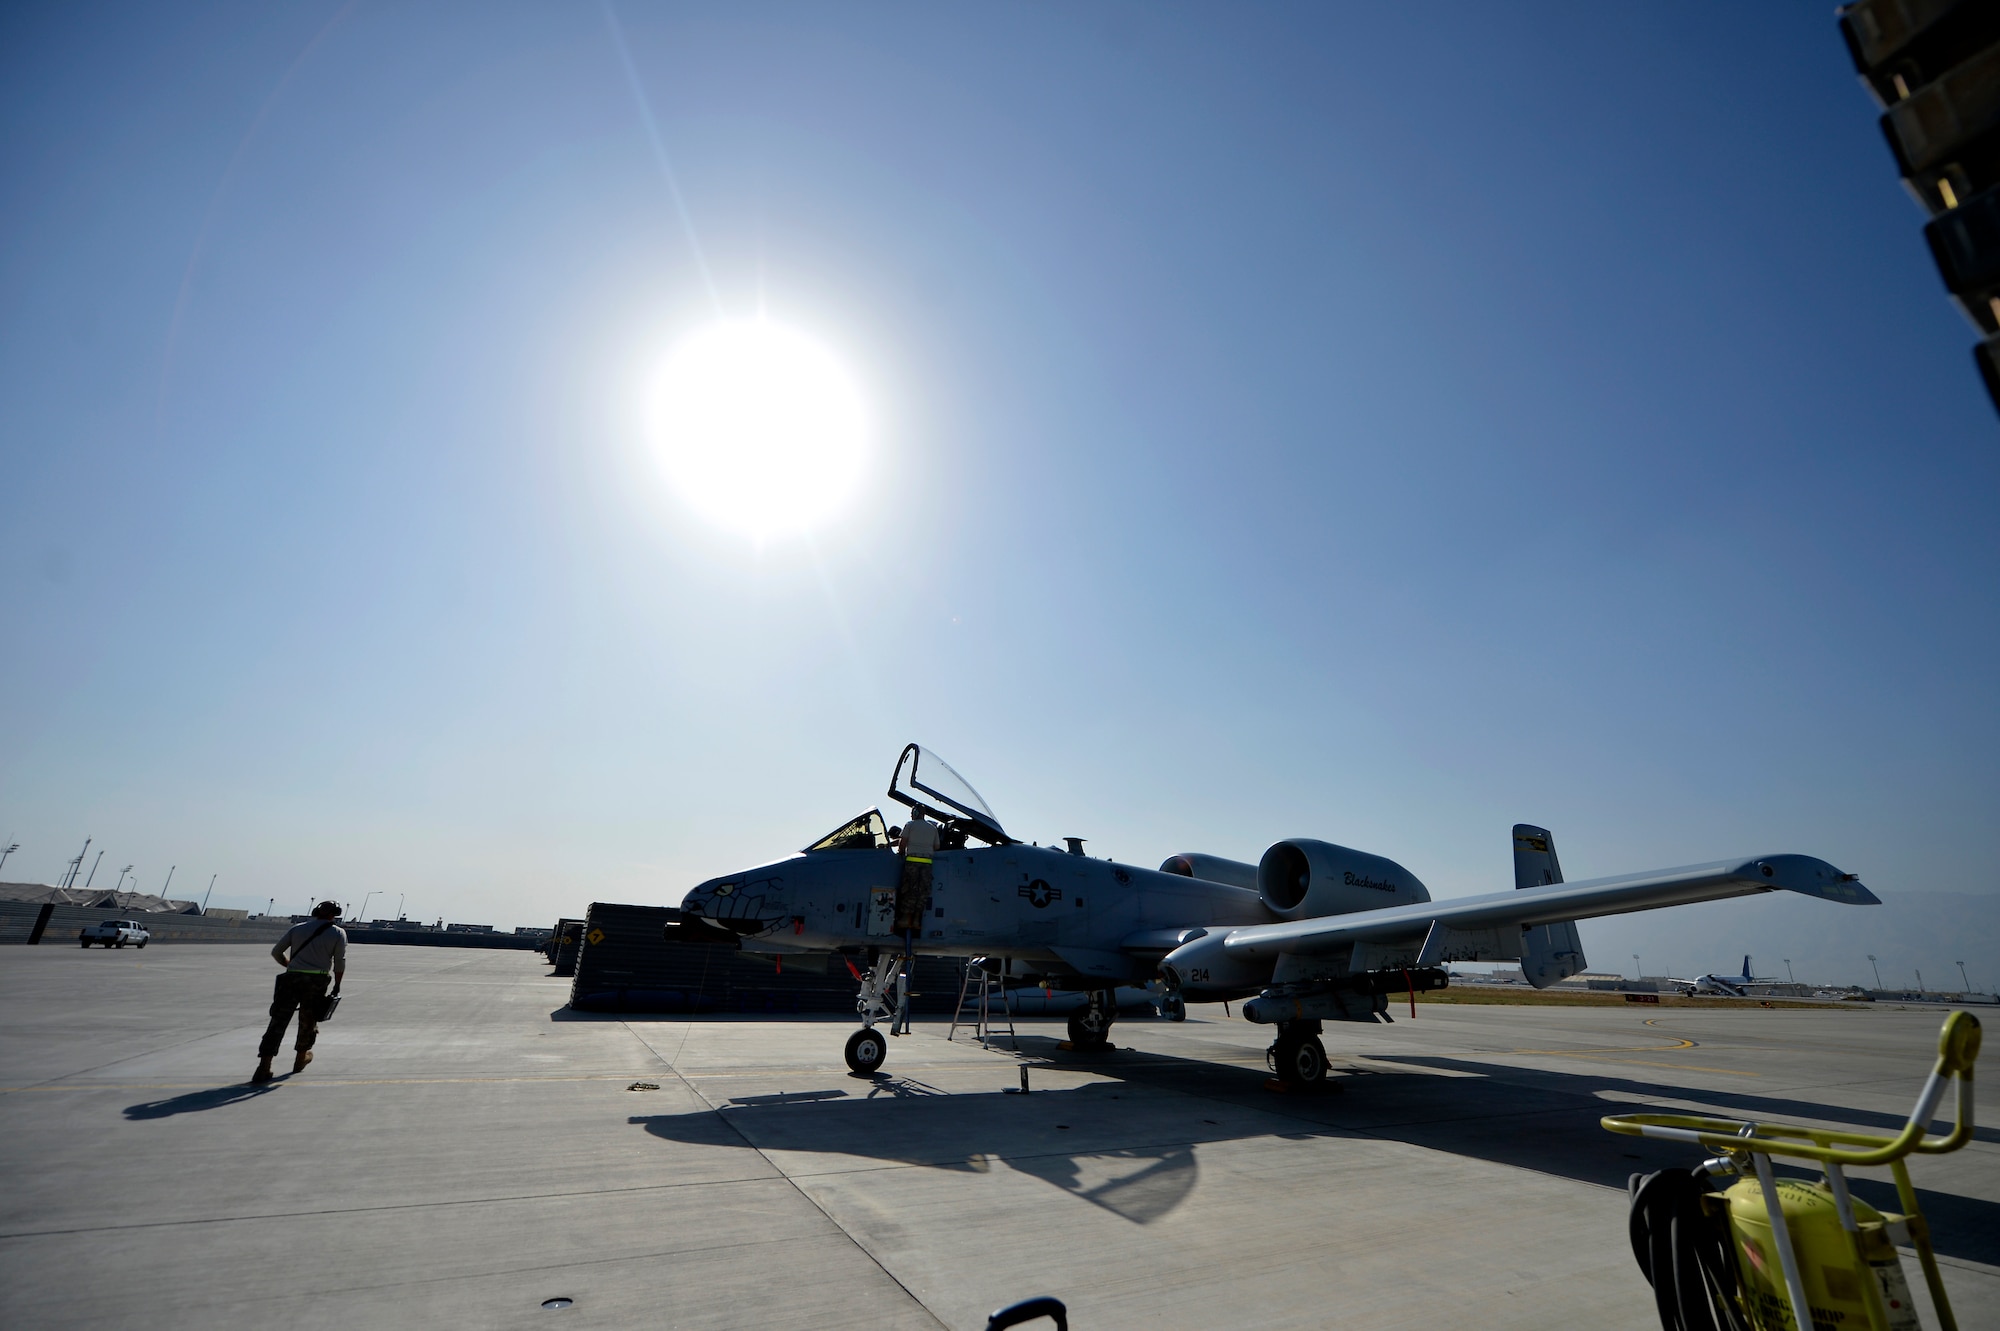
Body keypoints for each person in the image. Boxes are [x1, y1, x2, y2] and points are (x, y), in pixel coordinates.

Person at [252, 900, 347, 1084]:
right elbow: (339, 962)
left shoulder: (297, 929)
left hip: (291, 978)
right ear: (334, 914)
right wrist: (337, 984)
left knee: (278, 1020)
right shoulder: (337, 933)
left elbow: (276, 952)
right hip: (317, 981)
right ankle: (300, 1059)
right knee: (308, 1020)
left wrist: (290, 965)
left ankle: (264, 1065)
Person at [894, 808, 940, 944]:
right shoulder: (932, 828)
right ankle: (916, 920)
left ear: (915, 814)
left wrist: (901, 851)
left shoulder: (910, 825)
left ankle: (905, 919)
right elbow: (936, 846)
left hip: (912, 862)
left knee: (909, 890)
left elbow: (902, 843)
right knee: (922, 892)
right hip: (927, 864)